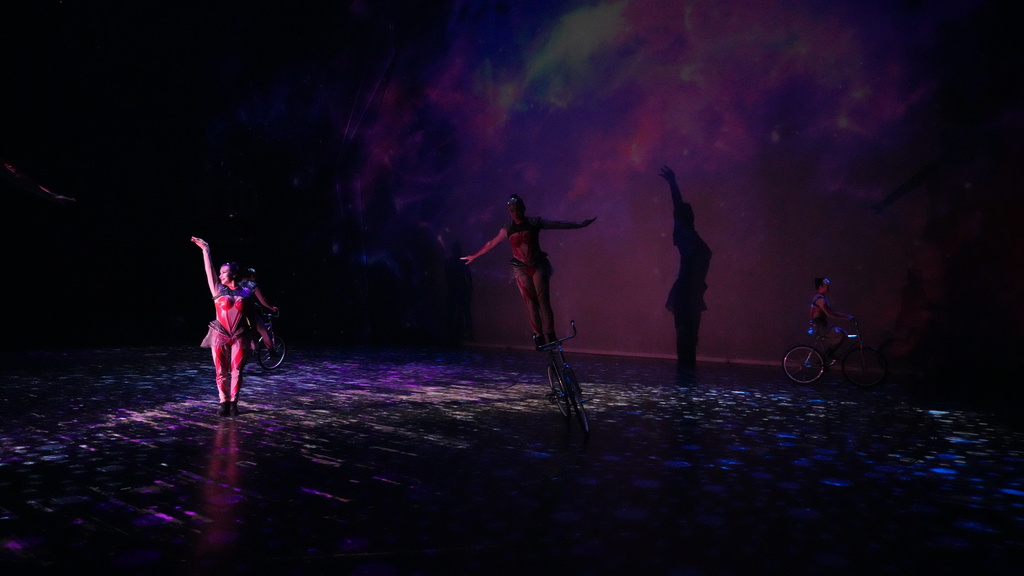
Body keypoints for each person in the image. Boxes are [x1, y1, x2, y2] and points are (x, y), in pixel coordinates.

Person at [461, 194, 595, 345]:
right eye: (512, 211)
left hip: (537, 264)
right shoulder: (508, 228)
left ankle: (551, 334)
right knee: (531, 303)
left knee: (543, 301)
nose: (515, 213)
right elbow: (491, 243)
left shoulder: (534, 222)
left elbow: (557, 224)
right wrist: (474, 256)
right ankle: (539, 336)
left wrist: (579, 224)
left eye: (517, 209)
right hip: (520, 267)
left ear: (523, 208)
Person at [192, 237, 255, 416]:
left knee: (237, 371)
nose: (220, 275)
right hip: (220, 333)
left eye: (224, 273)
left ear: (234, 274)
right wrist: (206, 249)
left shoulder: (246, 292)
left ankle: (234, 403)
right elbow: (209, 270)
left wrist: (255, 337)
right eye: (220, 273)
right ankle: (223, 402)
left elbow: (251, 317)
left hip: (240, 335)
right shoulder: (217, 289)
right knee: (221, 371)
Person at [658, 166, 711, 371]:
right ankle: (685, 375)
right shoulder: (685, 236)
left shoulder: (691, 237)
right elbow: (678, 208)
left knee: (690, 338)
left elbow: (679, 210)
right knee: (686, 337)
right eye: (689, 214)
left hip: (692, 293)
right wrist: (672, 183)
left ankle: (687, 374)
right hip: (685, 294)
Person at [810, 277, 854, 363]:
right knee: (842, 335)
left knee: (841, 334)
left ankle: (824, 359)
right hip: (820, 325)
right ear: (820, 286)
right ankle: (827, 356)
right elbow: (829, 313)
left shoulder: (820, 297)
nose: (829, 288)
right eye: (827, 286)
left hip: (821, 324)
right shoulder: (820, 299)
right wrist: (845, 317)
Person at [240, 268, 279, 351]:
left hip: (238, 313)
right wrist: (271, 308)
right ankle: (271, 351)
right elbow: (262, 301)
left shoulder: (237, 284)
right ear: (252, 276)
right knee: (263, 331)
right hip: (250, 313)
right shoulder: (253, 285)